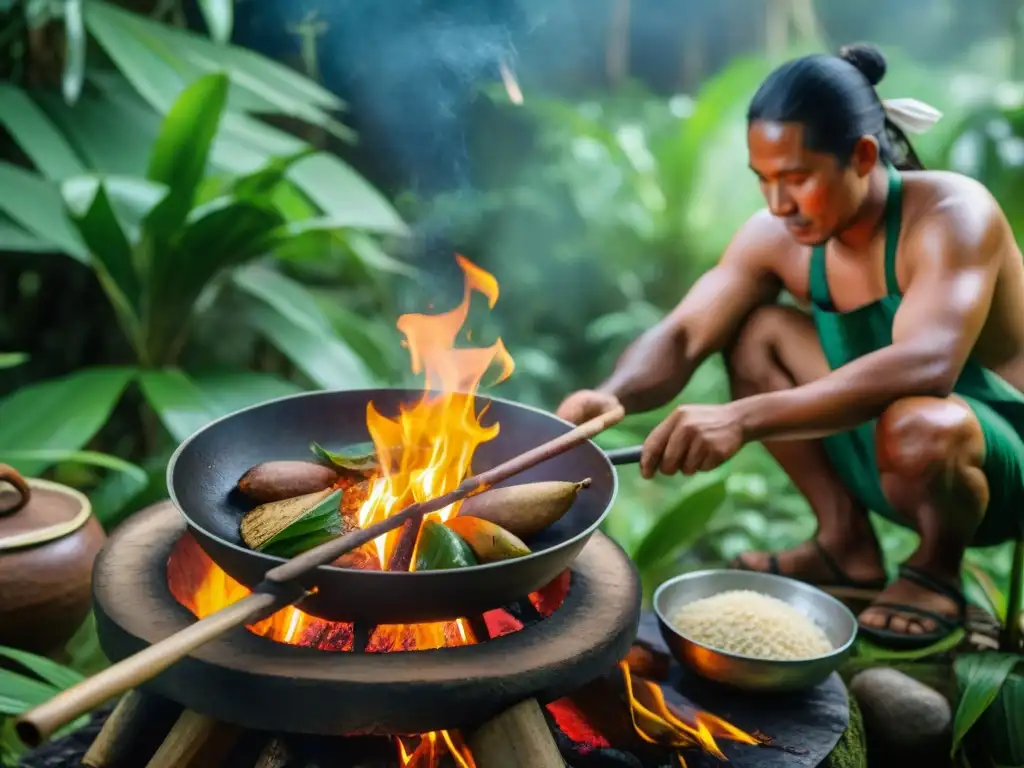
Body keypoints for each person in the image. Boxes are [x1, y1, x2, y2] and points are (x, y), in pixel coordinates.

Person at [556, 42, 1024, 650]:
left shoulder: (954, 214)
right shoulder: (778, 235)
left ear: (860, 156)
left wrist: (741, 419)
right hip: (880, 437)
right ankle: (844, 543)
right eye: (765, 181)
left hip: (989, 459)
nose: (779, 205)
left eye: (798, 179)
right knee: (757, 335)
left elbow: (927, 365)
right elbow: (684, 332)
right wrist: (609, 397)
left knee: (921, 422)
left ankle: (935, 570)